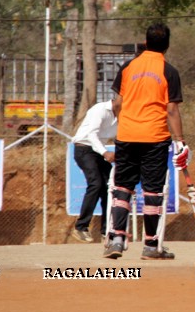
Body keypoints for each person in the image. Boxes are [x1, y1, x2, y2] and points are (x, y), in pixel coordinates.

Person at [104, 23, 188, 260]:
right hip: (155, 138)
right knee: (152, 192)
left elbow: (117, 104)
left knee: (123, 188)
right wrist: (180, 140)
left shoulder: (128, 66)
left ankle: (117, 239)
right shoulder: (168, 71)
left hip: (127, 136)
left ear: (146, 42)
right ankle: (151, 246)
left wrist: (127, 123)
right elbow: (171, 110)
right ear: (167, 45)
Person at [70, 100, 117, 243]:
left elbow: (119, 137)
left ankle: (106, 231)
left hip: (98, 151)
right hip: (84, 149)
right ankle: (81, 227)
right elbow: (91, 135)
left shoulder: (123, 115)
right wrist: (105, 152)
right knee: (96, 183)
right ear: (119, 99)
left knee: (110, 186)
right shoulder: (100, 110)